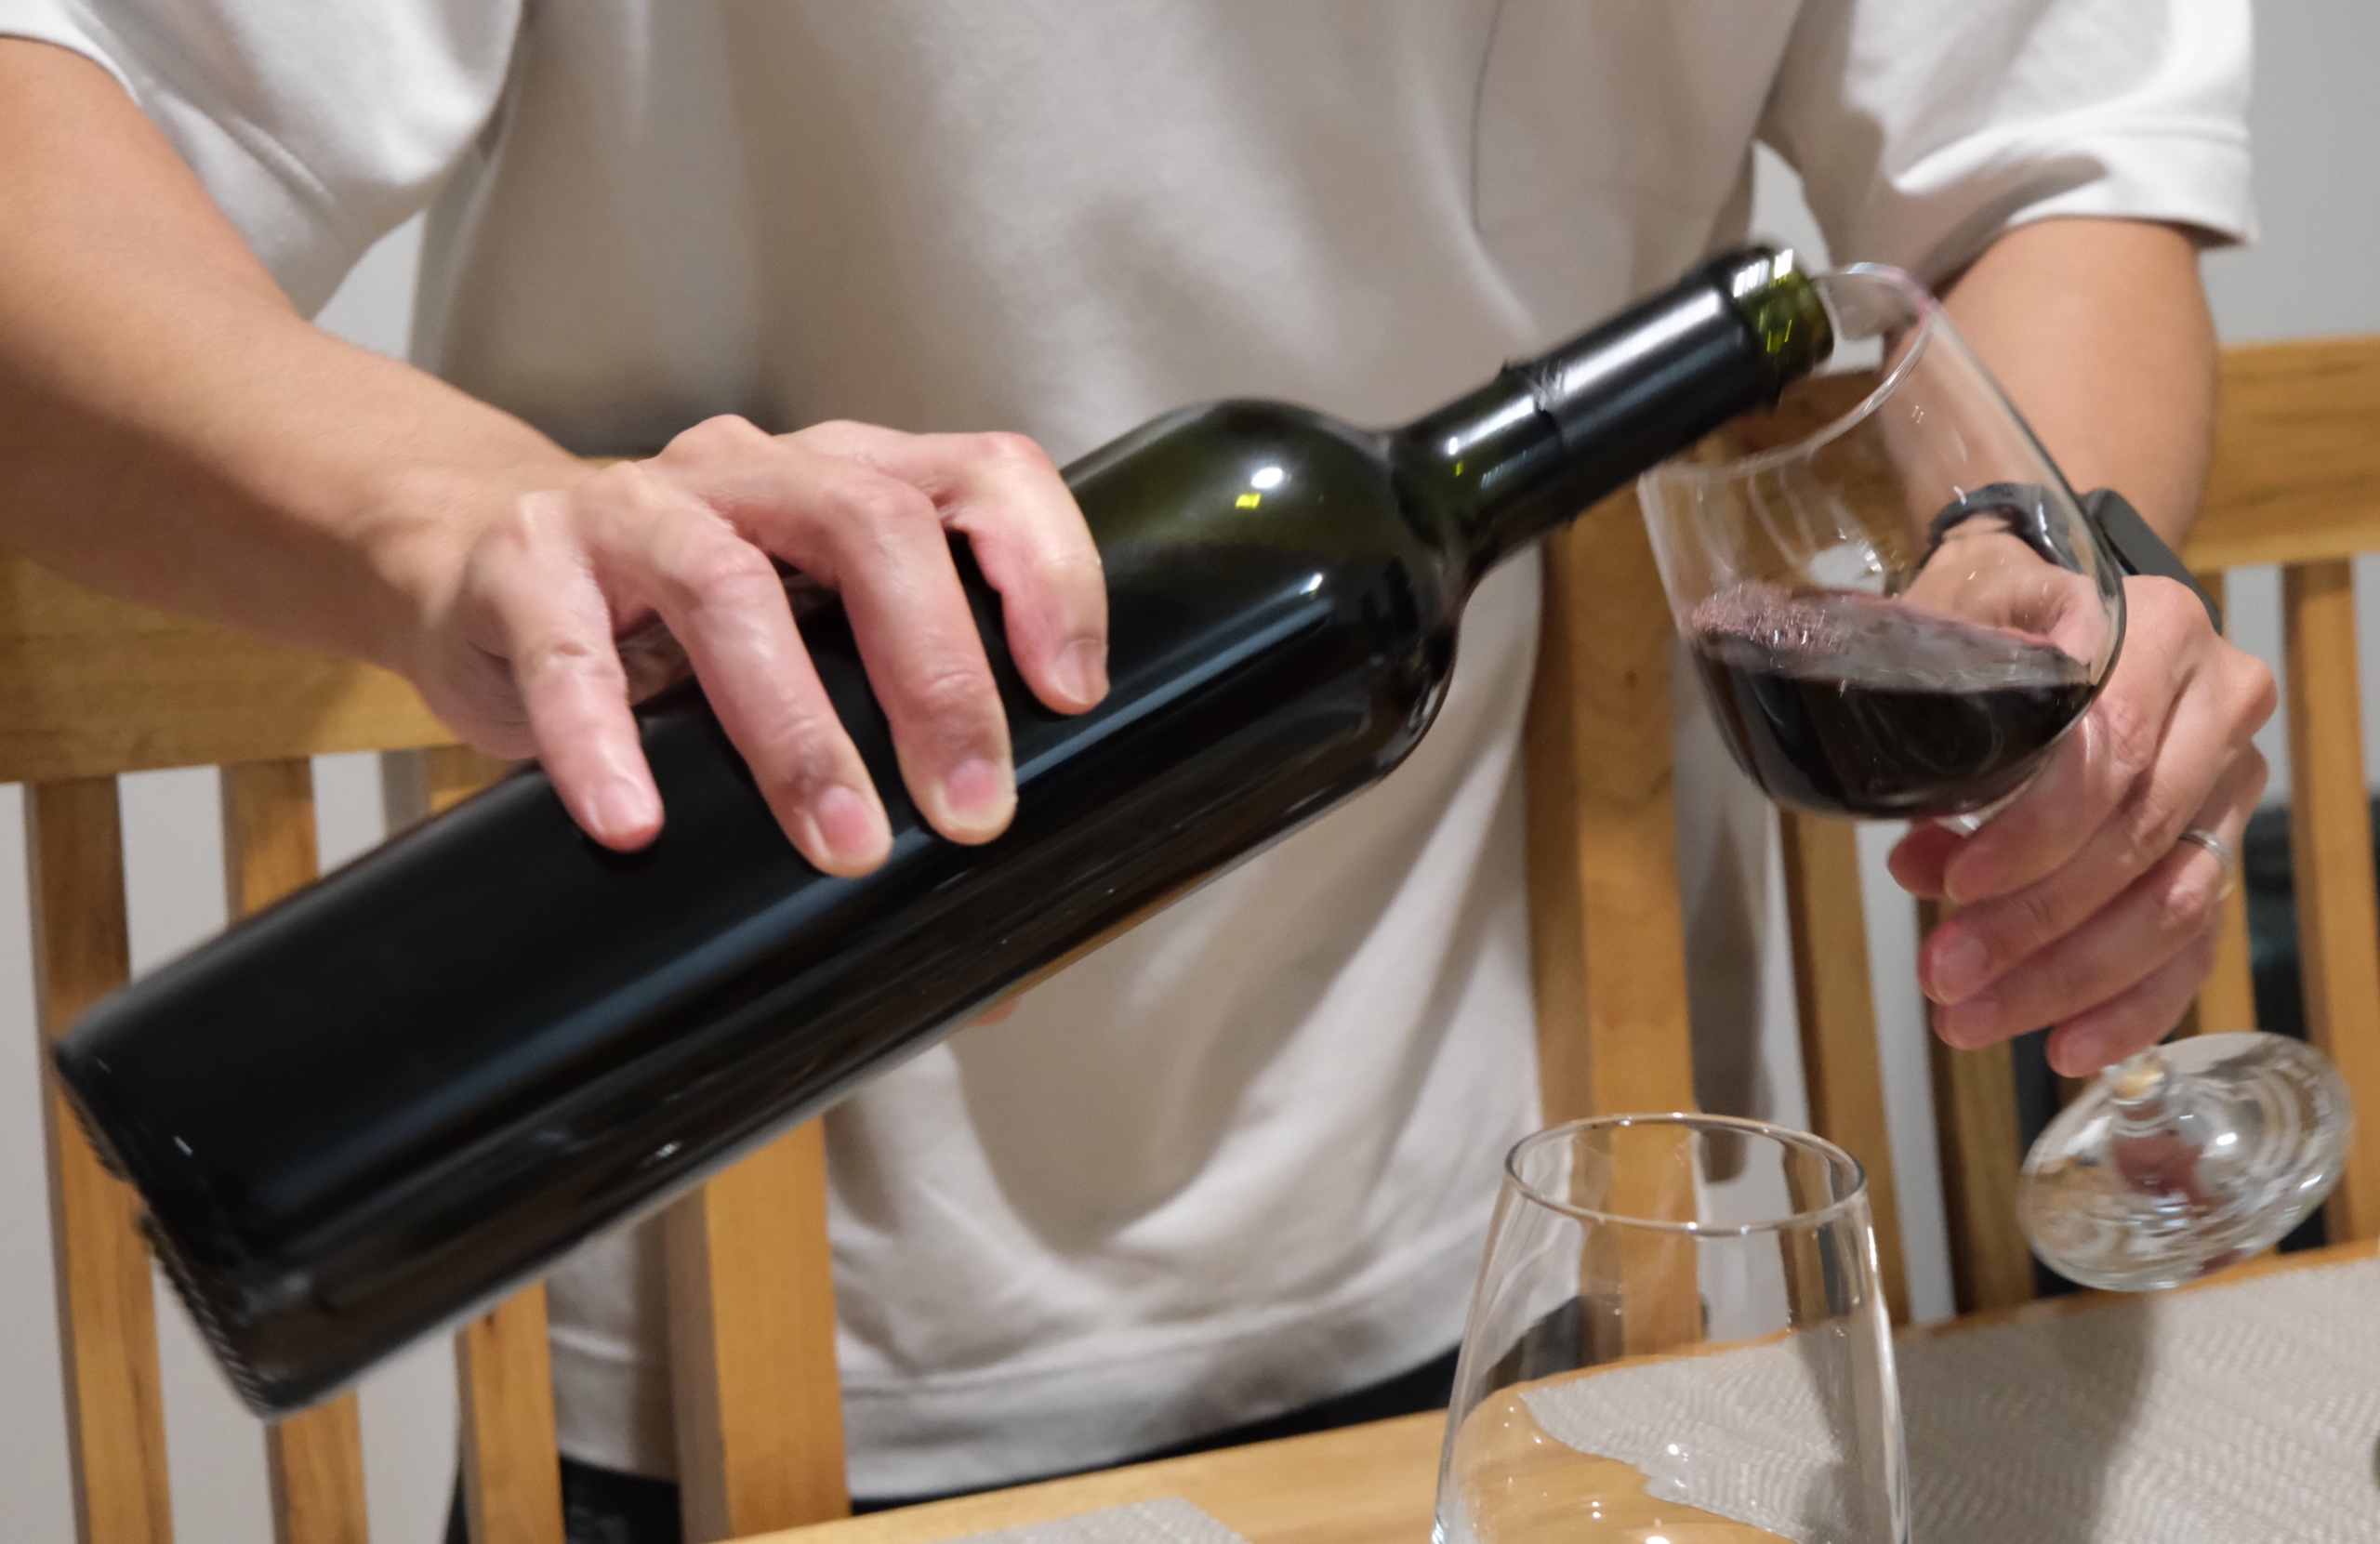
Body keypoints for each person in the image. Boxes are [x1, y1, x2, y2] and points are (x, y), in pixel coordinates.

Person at [0, 0, 2274, 1534]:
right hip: (737, 1311)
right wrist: (447, 516)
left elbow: (2037, 169)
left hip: (1522, 1289)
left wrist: (2026, 560)